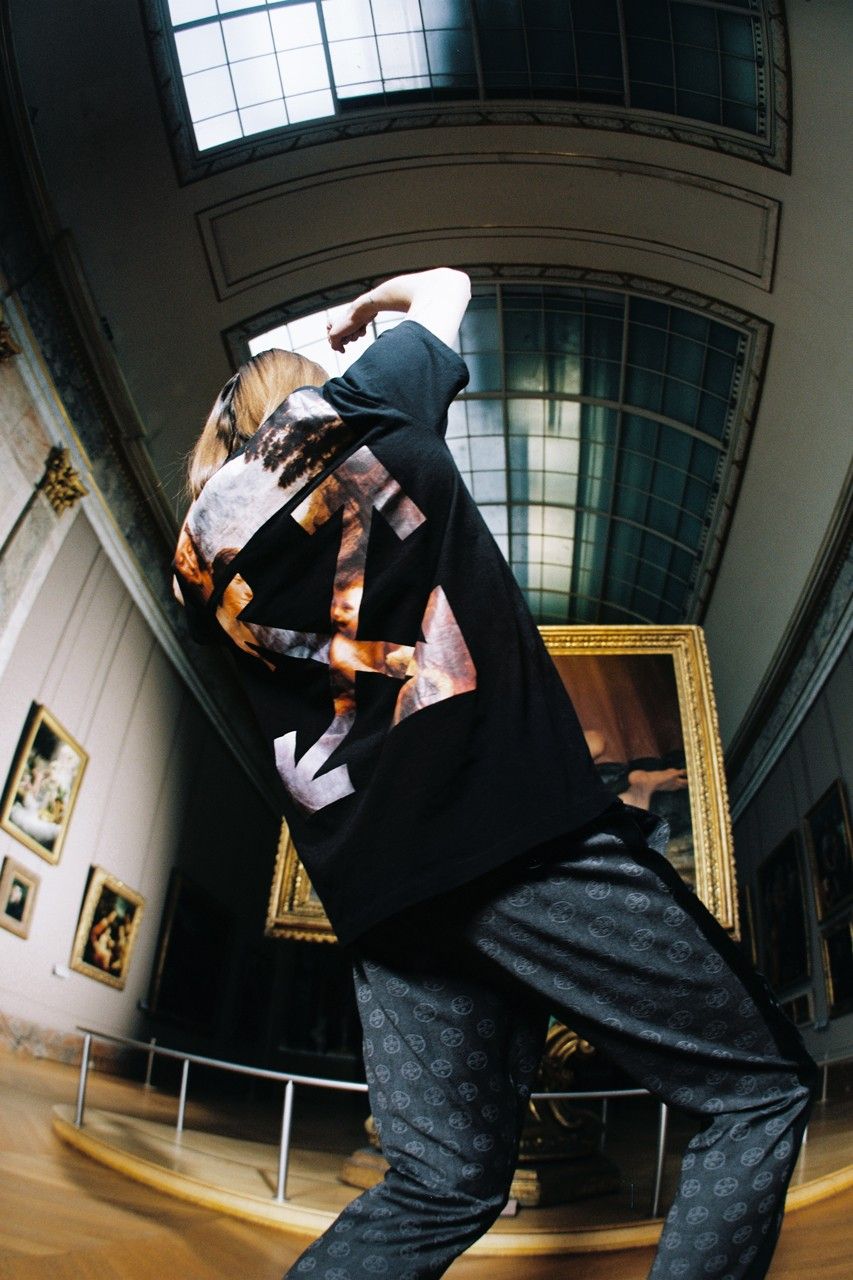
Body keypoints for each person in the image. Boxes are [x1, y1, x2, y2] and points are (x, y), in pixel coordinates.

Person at [173, 269, 816, 1280]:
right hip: (516, 838)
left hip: (383, 899)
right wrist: (366, 317)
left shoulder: (196, 573)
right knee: (758, 1091)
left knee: (438, 1183)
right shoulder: (356, 414)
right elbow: (446, 283)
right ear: (299, 398)